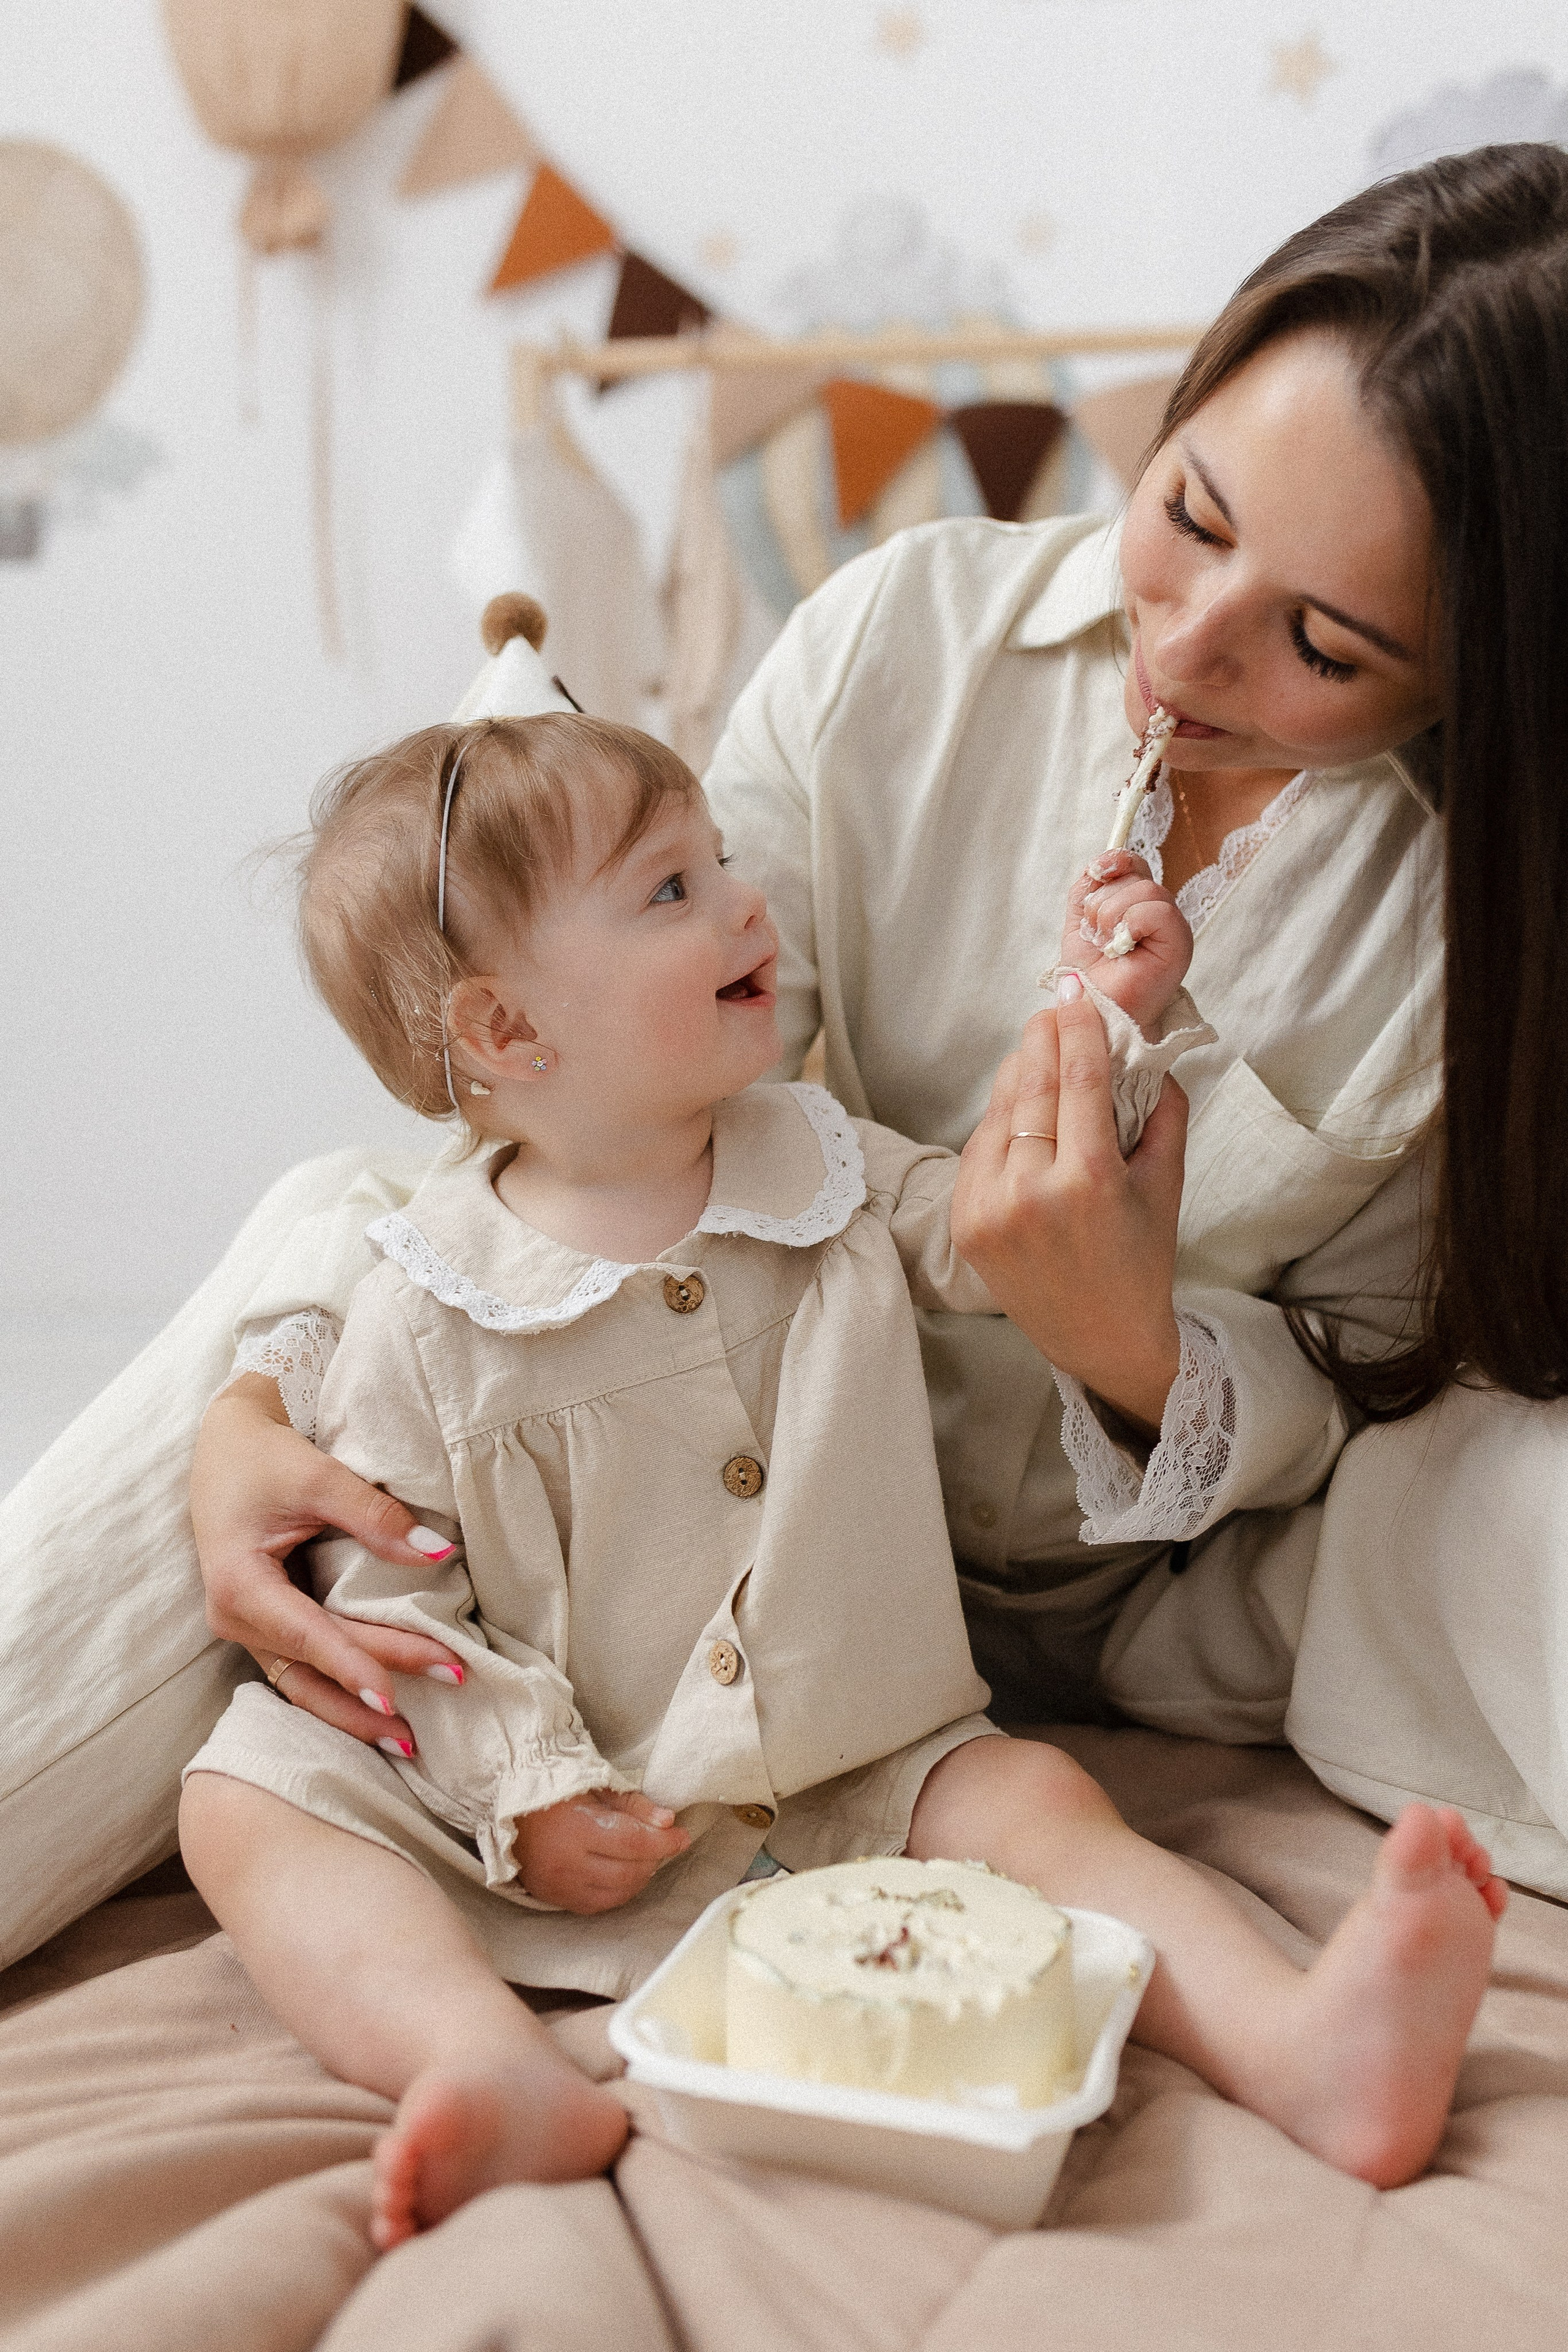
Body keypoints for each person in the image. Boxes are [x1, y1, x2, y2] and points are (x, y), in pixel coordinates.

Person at [9, 144, 1568, 1961]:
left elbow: (1367, 1385)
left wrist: (1132, 1349)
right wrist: (265, 1390)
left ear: (1473, 673)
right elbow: (606, 1109)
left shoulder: (1475, 924)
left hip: (1189, 1600)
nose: (1192, 645)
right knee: (332, 1236)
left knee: (1504, 1485)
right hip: (740, 1491)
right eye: (1193, 513)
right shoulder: (902, 639)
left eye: (1321, 642)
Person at [179, 707, 1502, 2249]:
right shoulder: (423, 1309)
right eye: (671, 890)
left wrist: (1108, 1025)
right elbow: (396, 1607)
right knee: (248, 1795)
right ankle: (479, 2060)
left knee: (1043, 1808)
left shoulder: (820, 1159)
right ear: (507, 1035)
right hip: (583, 1792)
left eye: (723, 861)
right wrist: (524, 1788)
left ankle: (1299, 2045)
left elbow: (1016, 1221)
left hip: (864, 1755)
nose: (746, 904)